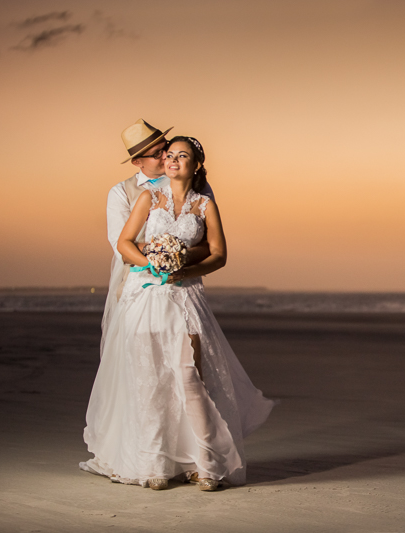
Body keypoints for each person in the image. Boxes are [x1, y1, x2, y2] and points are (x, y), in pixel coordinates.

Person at [80, 136, 274, 491]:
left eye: (181, 155)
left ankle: (207, 463)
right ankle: (155, 463)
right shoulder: (147, 197)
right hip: (145, 295)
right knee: (150, 377)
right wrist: (152, 264)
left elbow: (218, 254)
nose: (171, 160)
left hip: (185, 296)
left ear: (196, 165)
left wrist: (184, 269)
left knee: (190, 376)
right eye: (169, 155)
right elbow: (123, 244)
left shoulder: (205, 204)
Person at [102, 119, 214, 355]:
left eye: (166, 148)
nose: (166, 157)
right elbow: (121, 247)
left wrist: (181, 258)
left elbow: (210, 244)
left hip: (185, 288)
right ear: (137, 162)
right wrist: (163, 256)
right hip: (139, 286)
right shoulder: (121, 192)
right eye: (156, 154)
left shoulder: (198, 188)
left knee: (188, 362)